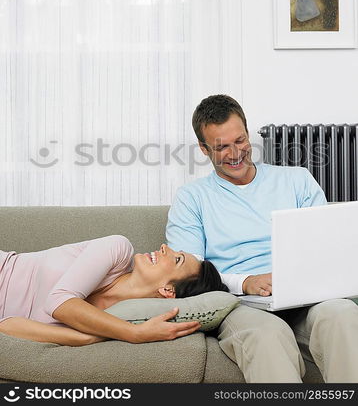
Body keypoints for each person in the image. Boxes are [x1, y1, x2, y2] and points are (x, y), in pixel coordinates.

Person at [166, 94, 358, 383]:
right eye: (222, 147)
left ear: (247, 132)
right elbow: (188, 273)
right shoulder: (191, 198)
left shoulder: (298, 180)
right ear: (204, 150)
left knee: (343, 313)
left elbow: (326, 247)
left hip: (305, 300)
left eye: (240, 141)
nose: (235, 153)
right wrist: (245, 282)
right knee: (269, 335)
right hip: (241, 306)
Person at [0, 235, 227, 346]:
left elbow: (8, 325)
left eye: (177, 259)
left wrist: (88, 337)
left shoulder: (113, 319)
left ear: (169, 290)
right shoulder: (118, 249)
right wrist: (133, 333)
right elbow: (59, 302)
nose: (164, 247)